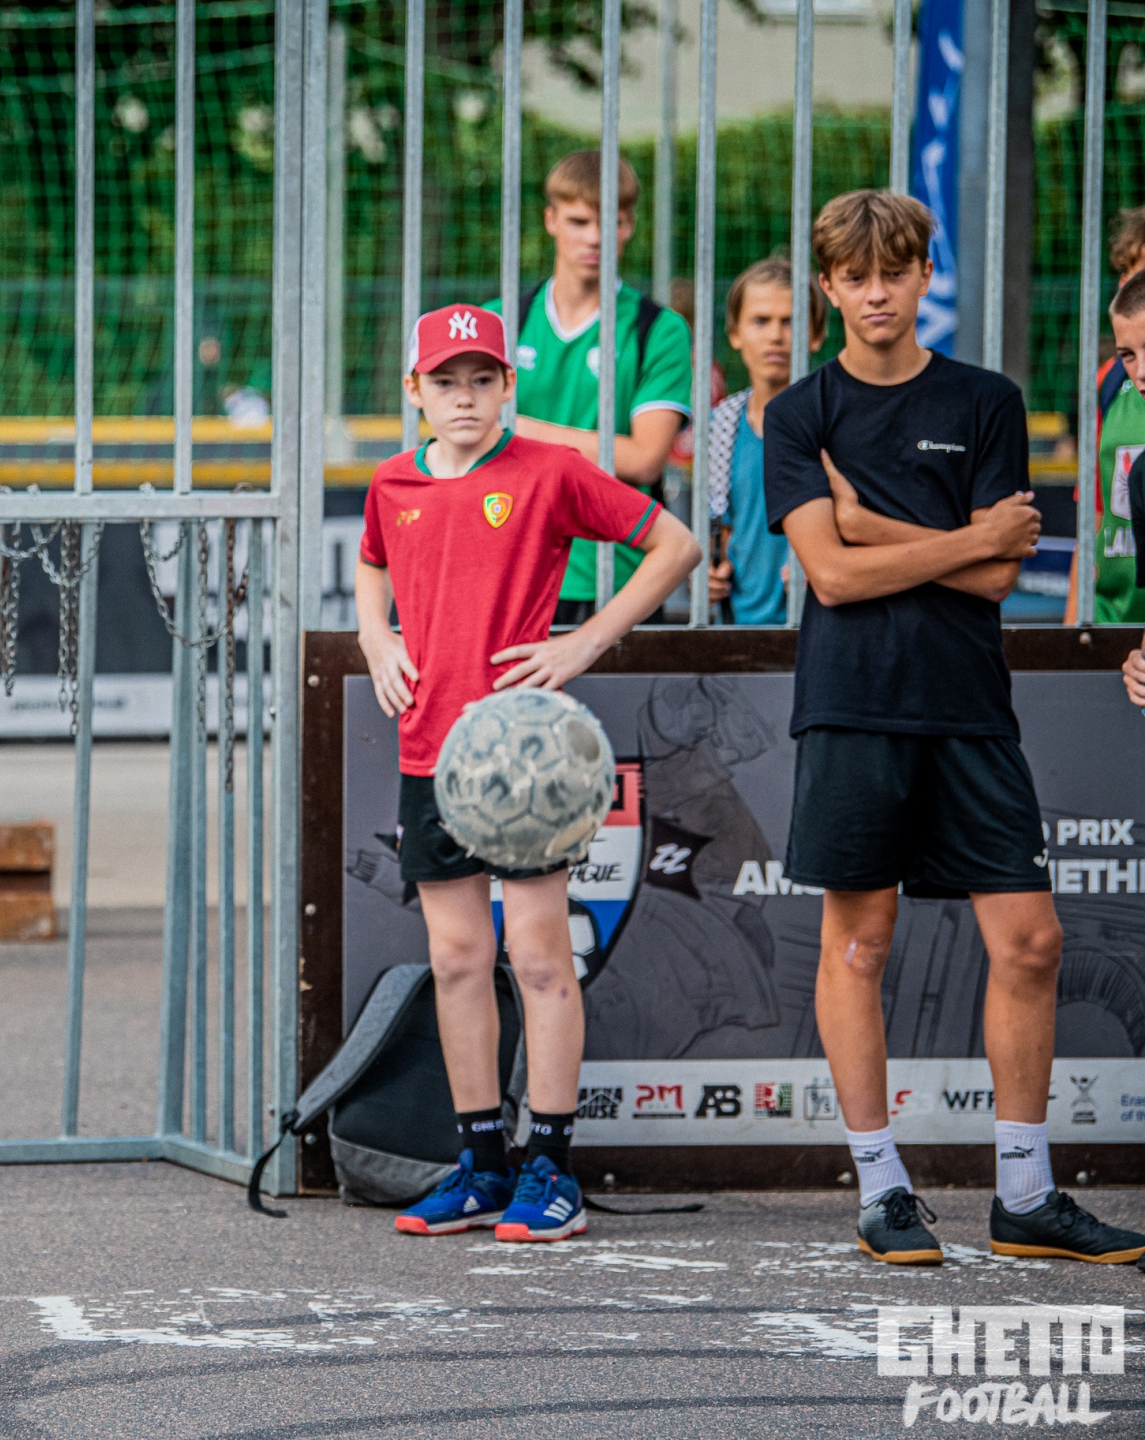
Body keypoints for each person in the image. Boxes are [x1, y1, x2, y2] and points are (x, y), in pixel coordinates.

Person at [766, 189, 1144, 1266]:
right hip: (850, 703)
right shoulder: (800, 413)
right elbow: (832, 578)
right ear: (828, 285)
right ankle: (882, 1189)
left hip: (969, 706)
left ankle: (1024, 1195)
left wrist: (871, 522)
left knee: (1032, 942)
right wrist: (960, 537)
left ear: (927, 273)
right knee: (859, 944)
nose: (877, 293)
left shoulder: (987, 399)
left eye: (896, 271)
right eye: (855, 277)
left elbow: (996, 579)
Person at [354, 303, 698, 1244]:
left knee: (540, 957)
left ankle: (551, 1164)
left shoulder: (550, 471)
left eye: (482, 379)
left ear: (509, 386)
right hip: (431, 752)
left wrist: (585, 641)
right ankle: (481, 1167)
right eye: (445, 381)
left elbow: (675, 545)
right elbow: (373, 563)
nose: (464, 397)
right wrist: (376, 635)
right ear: (415, 391)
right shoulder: (392, 481)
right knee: (458, 959)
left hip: (526, 763)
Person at [486, 150, 694, 622]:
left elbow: (645, 459)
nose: (595, 238)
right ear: (550, 220)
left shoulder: (658, 329)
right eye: (579, 221)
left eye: (611, 223)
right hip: (512, 566)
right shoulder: (499, 320)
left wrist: (516, 430)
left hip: (619, 577)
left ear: (630, 226)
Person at [705, 257, 826, 625]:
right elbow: (717, 527)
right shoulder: (721, 425)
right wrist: (704, 575)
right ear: (735, 334)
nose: (776, 335)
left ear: (816, 335)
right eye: (761, 321)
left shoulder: (833, 421)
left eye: (790, 322)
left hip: (818, 625)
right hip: (736, 627)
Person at [1067, 206, 1145, 624]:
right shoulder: (1109, 381)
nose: (1134, 285)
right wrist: (1073, 626)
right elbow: (1091, 518)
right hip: (1112, 618)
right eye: (1128, 273)